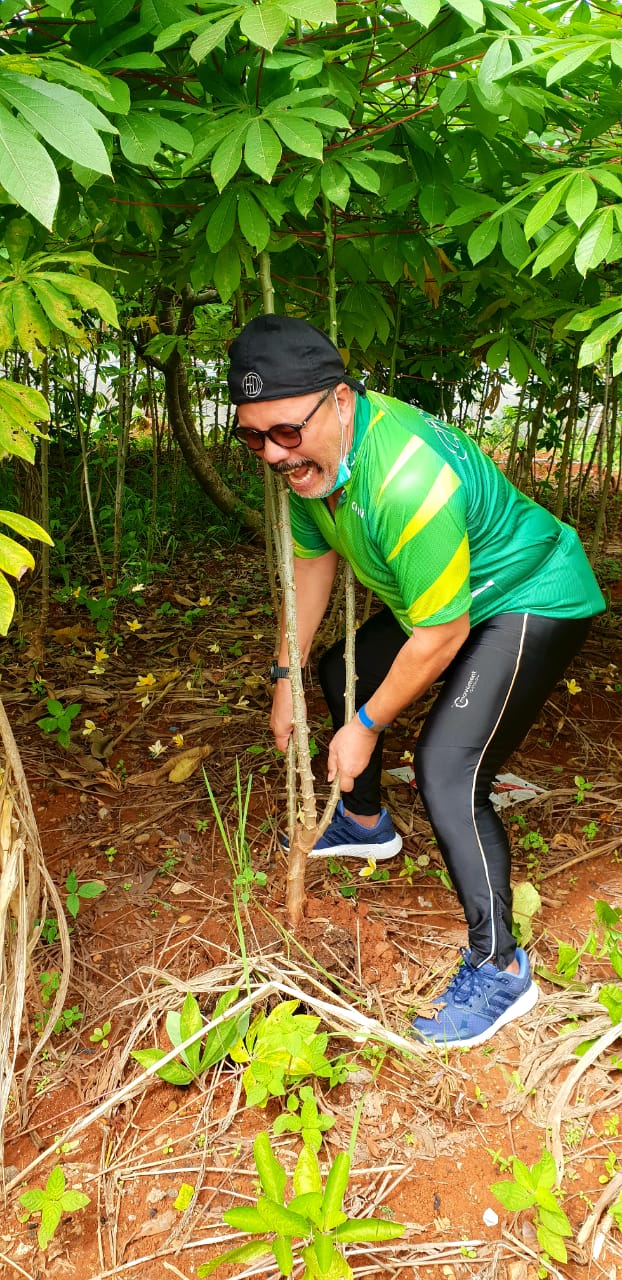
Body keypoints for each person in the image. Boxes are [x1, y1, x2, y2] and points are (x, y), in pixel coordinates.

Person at [227, 315, 605, 1049]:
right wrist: (285, 677)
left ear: (339, 401)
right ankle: (365, 824)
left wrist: (363, 730)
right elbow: (312, 565)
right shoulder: (316, 464)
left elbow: (441, 636)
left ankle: (500, 968)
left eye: (286, 433)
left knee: (448, 769)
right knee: (341, 668)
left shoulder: (404, 478)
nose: (273, 454)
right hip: (437, 596)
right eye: (253, 437)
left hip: (528, 594)